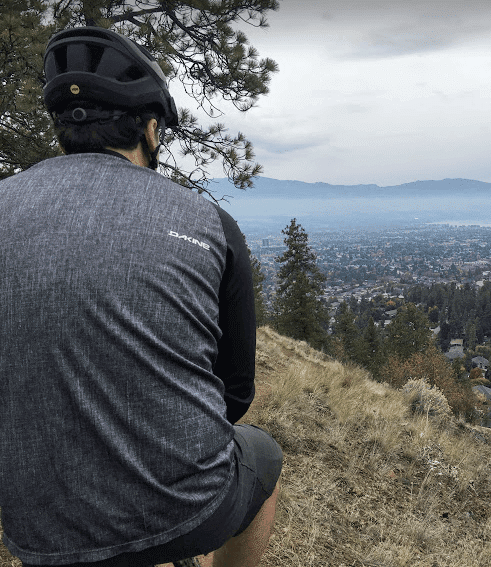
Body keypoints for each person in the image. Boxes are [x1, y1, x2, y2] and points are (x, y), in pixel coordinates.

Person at [0, 27, 282, 567]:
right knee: (263, 454)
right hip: (186, 511)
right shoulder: (209, 223)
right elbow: (236, 394)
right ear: (150, 129)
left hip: (32, 523)